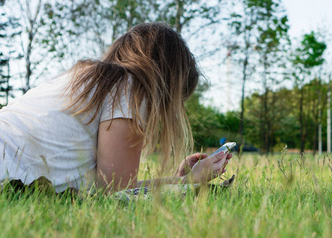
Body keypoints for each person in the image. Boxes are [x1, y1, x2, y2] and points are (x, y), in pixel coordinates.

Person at [0, 22, 232, 193]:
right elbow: (116, 194)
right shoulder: (129, 87)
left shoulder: (86, 77)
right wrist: (188, 184)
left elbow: (114, 185)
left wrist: (177, 179)